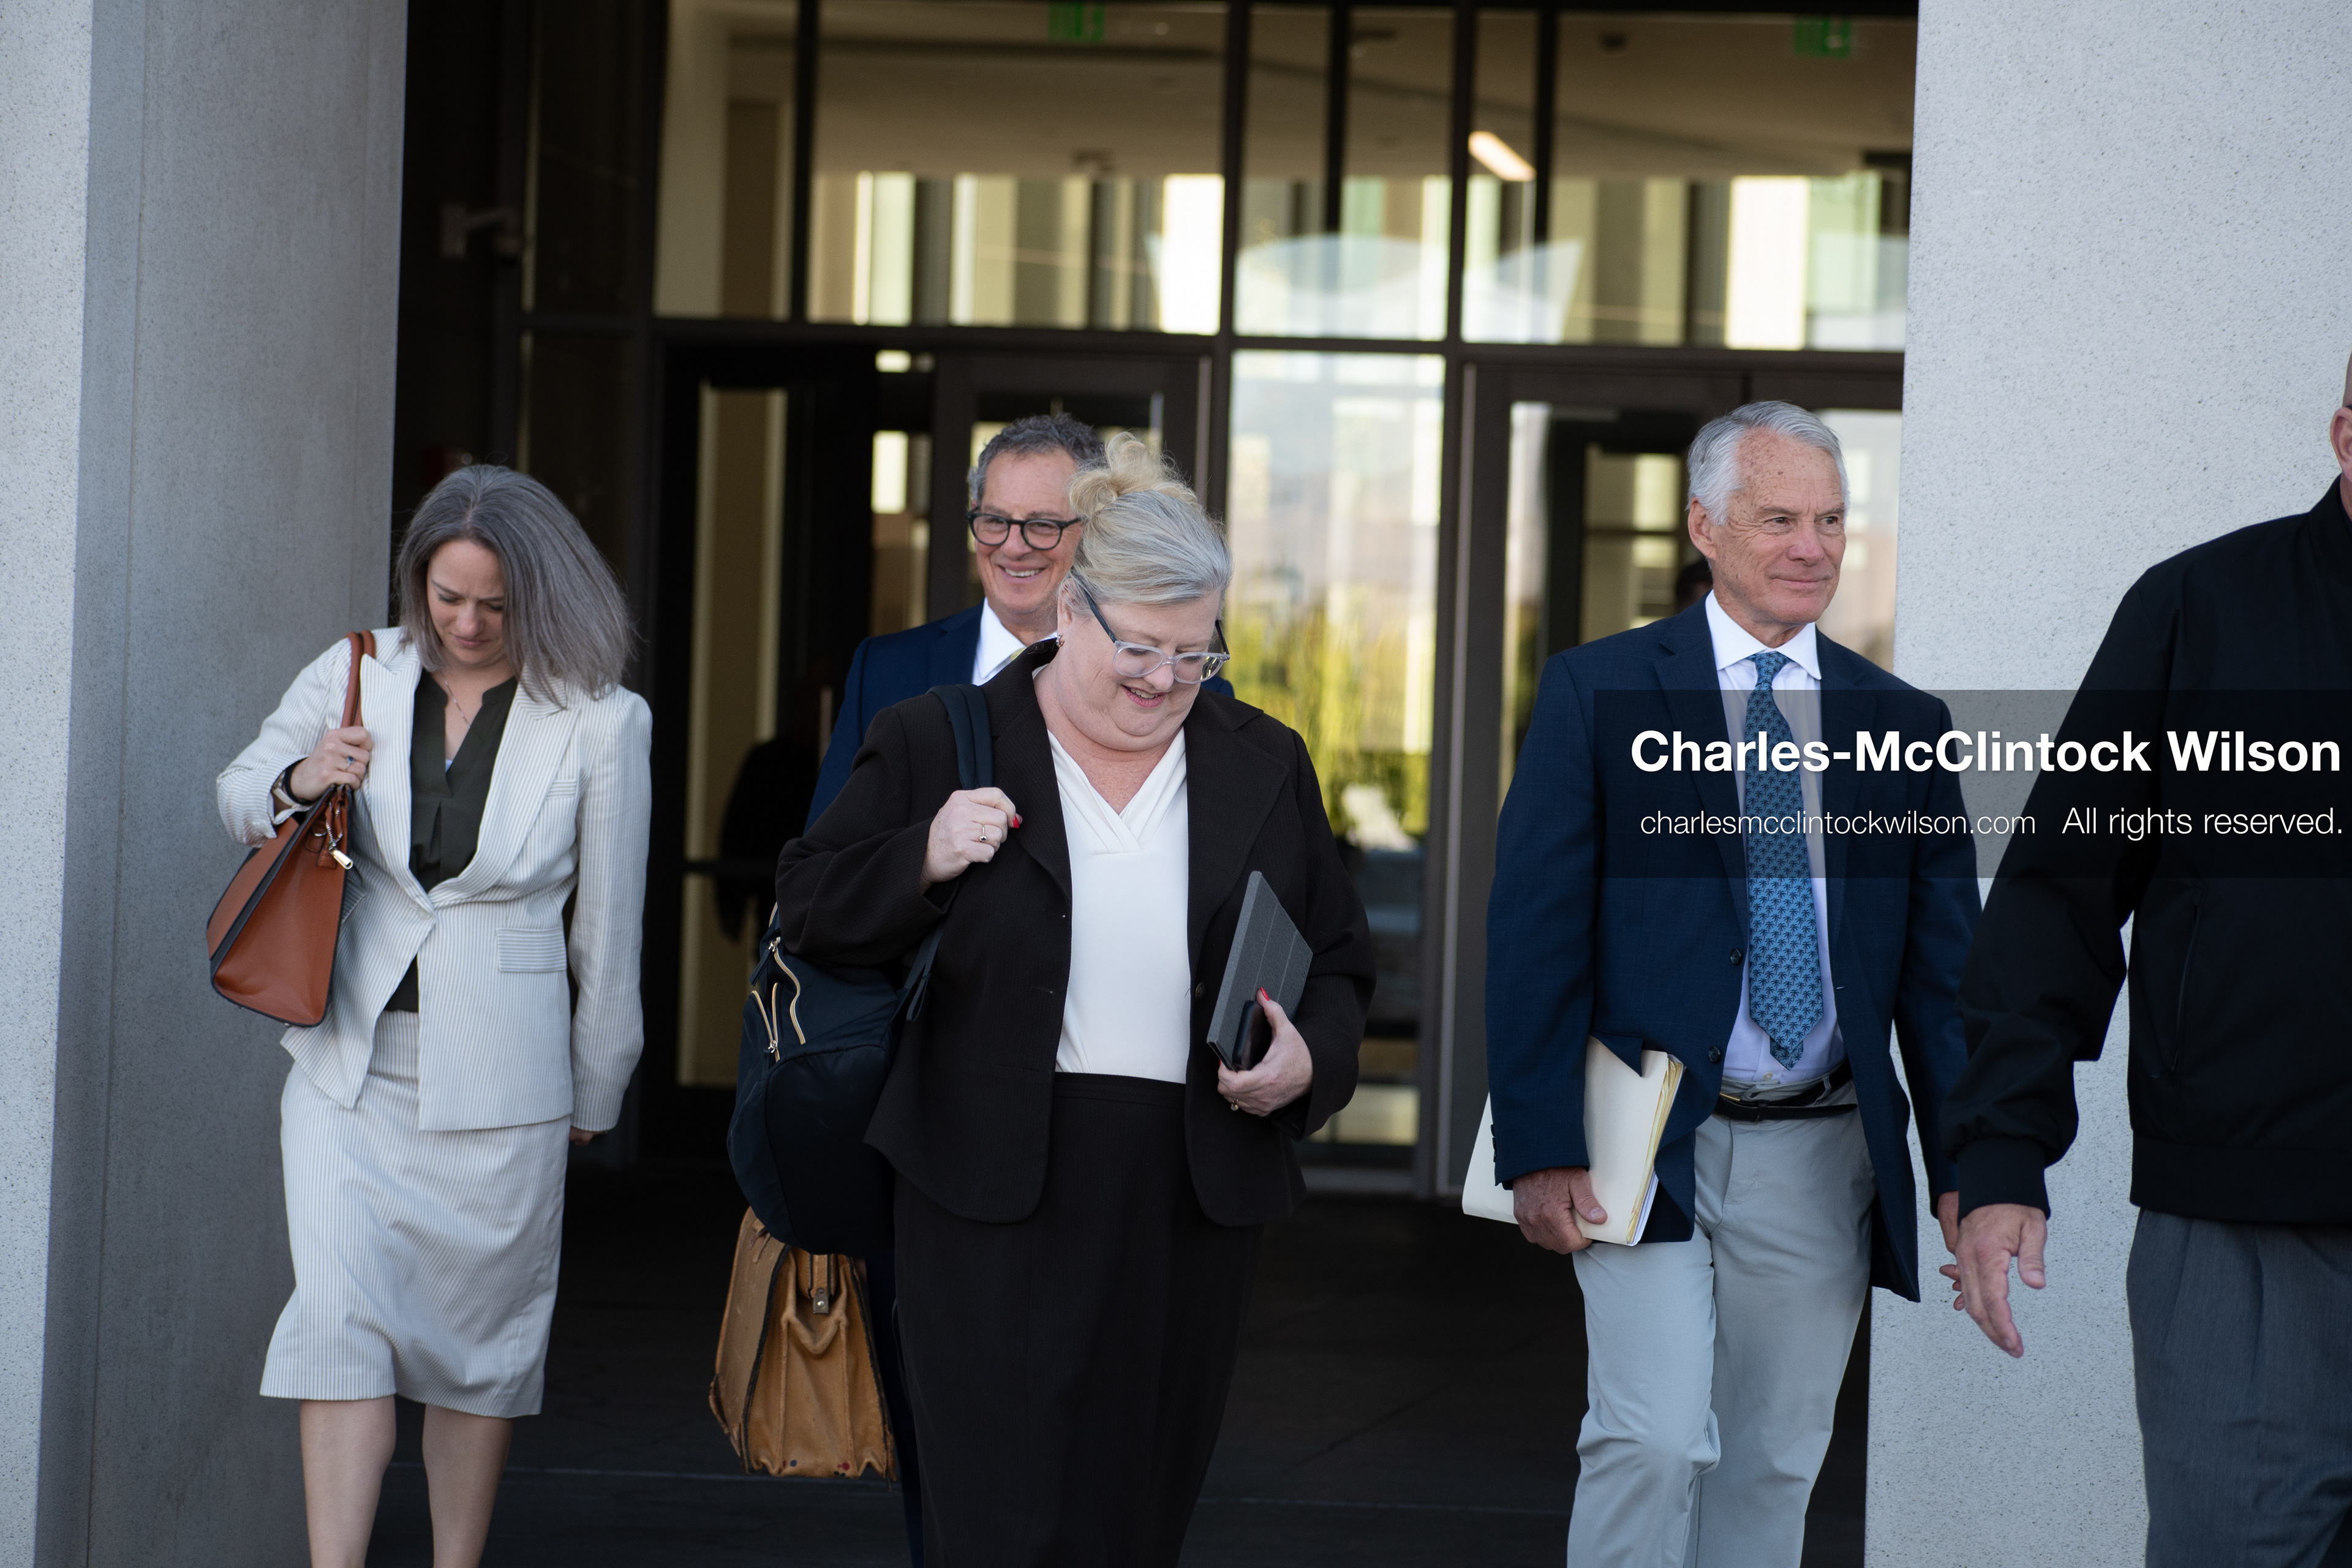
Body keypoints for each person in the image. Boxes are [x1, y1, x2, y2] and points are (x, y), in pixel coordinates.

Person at [774, 435, 1375, 1564]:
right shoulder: (940, 737)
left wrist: (1311, 1064)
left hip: (1188, 1188)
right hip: (981, 1182)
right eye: (1139, 647)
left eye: (1194, 655)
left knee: (1134, 1517)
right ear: (1071, 611)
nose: (1163, 680)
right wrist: (922, 857)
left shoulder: (1263, 762)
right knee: (992, 1521)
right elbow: (805, 901)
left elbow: (1339, 965)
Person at [1485, 401, 1980, 1568]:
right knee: (1652, 1439)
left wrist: (1970, 1165)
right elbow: (1535, 933)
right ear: (1704, 526)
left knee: (1773, 1462)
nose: (1813, 547)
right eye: (1779, 520)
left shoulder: (1901, 726)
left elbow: (1944, 981)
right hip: (1644, 1138)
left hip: (1822, 1151)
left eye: (1832, 521)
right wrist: (1537, 1144)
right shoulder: (1597, 692)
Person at [1944, 357, 2352, 1566]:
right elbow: (2057, 894)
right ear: (2346, 435)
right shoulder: (2199, 609)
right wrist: (2002, 1148)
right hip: (2244, 1220)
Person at [217, 467, 650, 1568]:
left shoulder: (602, 719)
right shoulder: (359, 668)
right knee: (337, 1328)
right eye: (447, 597)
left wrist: (598, 1080)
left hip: (503, 1081)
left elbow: (610, 926)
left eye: (493, 605)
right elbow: (237, 790)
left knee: (478, 1351)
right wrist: (304, 776)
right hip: (348, 1066)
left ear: (542, 595)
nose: (464, 623)